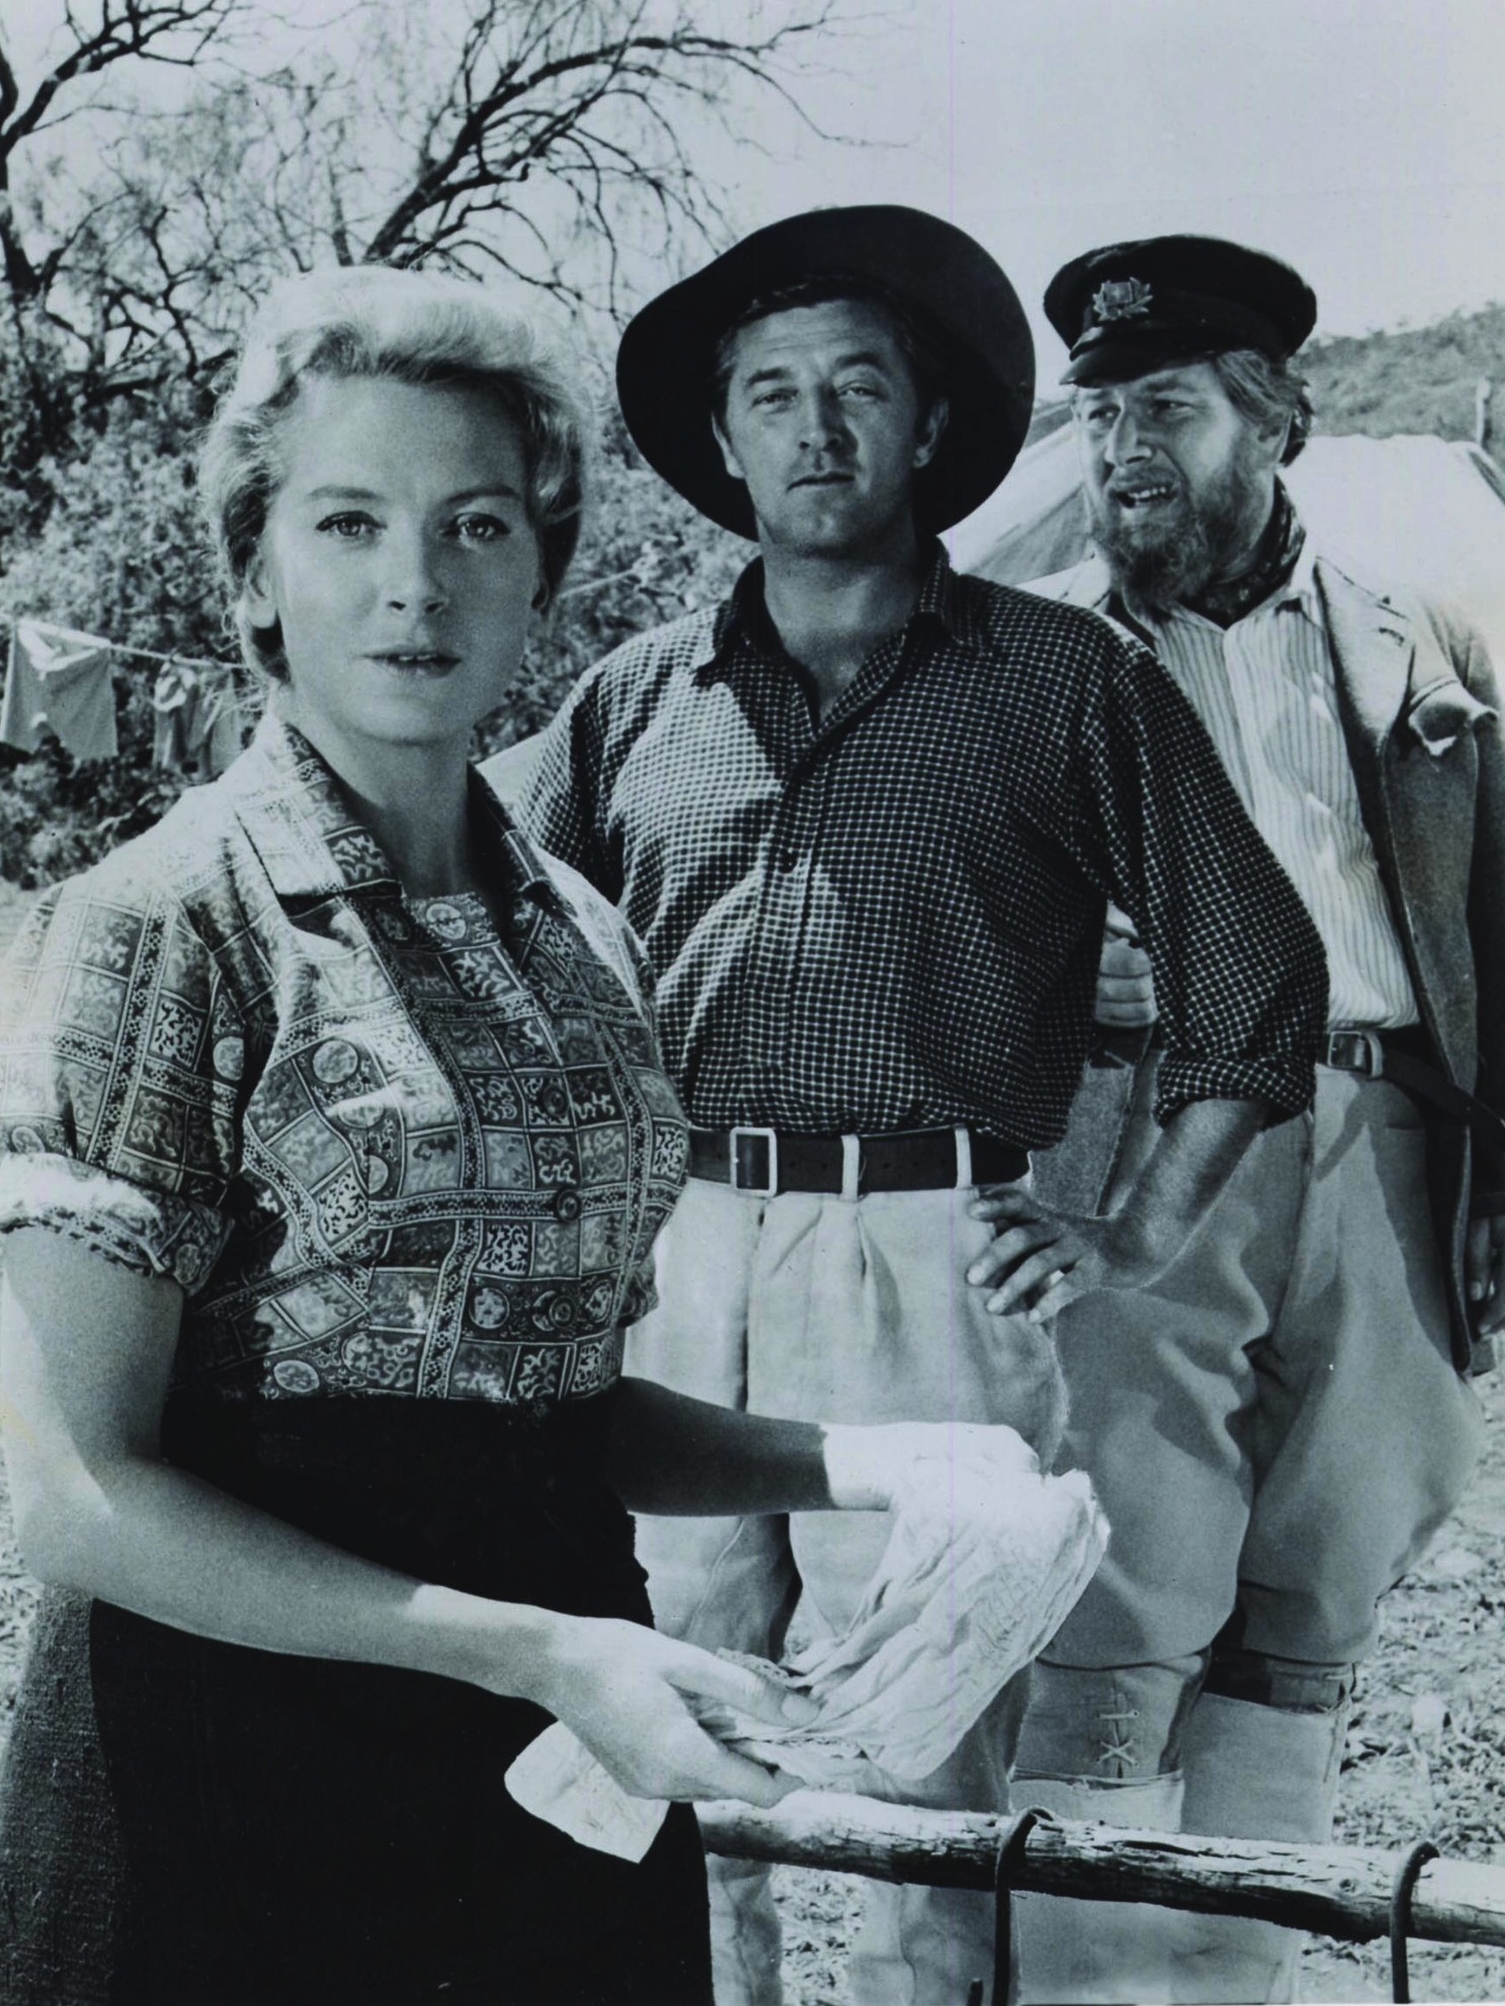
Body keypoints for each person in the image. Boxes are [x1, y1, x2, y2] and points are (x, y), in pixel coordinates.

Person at [0, 265, 1047, 2006]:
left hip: (559, 1793)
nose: (418, 580)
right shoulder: (162, 926)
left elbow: (546, 1406)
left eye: (478, 523)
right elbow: (82, 1496)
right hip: (236, 1795)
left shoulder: (578, 933)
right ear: (253, 576)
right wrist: (543, 1657)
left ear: (542, 572)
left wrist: (858, 1461)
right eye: (348, 522)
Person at [490, 204, 1330, 2006]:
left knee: (925, 1734)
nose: (815, 431)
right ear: (722, 441)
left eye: (857, 388)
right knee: (667, 1695)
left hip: (934, 1258)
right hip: (677, 1259)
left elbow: (1256, 976)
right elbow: (484, 929)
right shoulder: (638, 698)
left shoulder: (1059, 684)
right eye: (772, 395)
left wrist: (1130, 1227)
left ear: (932, 425)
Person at [1009, 234, 1505, 2004]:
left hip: (1387, 1148)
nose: (1122, 456)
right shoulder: (1029, 664)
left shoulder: (1419, 646)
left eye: (1165, 410)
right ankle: (1095, 1992)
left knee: (1322, 1577)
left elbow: (1504, 931)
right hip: (1141, 1147)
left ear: (1280, 423)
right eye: (1102, 418)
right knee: (1120, 1576)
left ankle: (1230, 1985)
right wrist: (1047, 978)